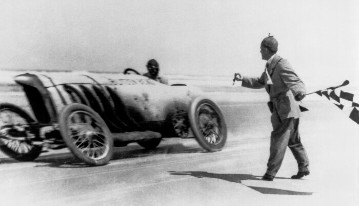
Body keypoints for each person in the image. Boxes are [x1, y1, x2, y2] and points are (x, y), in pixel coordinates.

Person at [233, 35, 310, 181]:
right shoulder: (270, 65)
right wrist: (242, 79)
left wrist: (300, 91)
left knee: (278, 140)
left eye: (261, 49)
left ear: (268, 49)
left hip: (286, 110)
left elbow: (295, 80)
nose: (260, 51)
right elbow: (260, 82)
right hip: (282, 110)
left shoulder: (281, 64)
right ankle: (304, 167)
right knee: (293, 140)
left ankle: (270, 173)